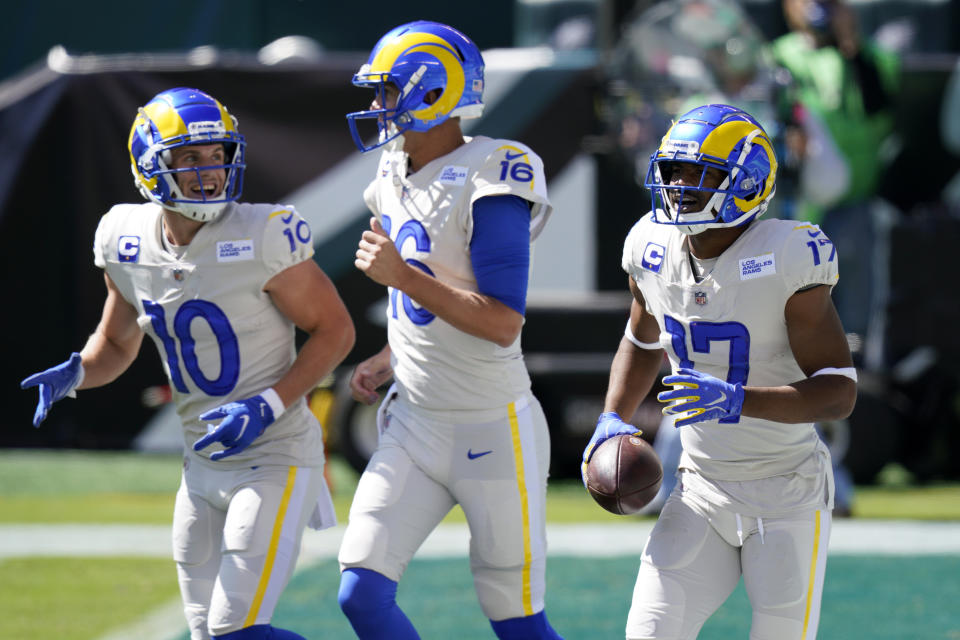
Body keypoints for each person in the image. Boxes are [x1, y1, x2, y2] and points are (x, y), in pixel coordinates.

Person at [20, 87, 356, 640]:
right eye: (190, 158)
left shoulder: (261, 234)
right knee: (207, 637)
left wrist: (268, 405)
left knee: (235, 632)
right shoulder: (124, 238)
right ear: (151, 167)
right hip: (201, 464)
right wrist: (80, 370)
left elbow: (336, 330)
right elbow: (117, 344)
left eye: (218, 154)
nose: (210, 171)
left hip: (272, 458)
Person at [581, 104, 857, 639]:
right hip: (700, 487)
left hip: (787, 492)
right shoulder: (649, 245)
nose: (680, 186)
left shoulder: (787, 254)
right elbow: (641, 340)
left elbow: (838, 392)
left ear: (748, 182)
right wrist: (612, 418)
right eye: (673, 171)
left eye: (699, 173)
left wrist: (739, 398)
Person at [337, 21, 563, 640]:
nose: (378, 106)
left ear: (430, 92)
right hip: (414, 420)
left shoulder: (496, 170)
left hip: (492, 426)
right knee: (360, 591)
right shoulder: (392, 168)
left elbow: (501, 320)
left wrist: (403, 279)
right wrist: (388, 356)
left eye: (388, 91)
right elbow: (428, 298)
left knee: (515, 620)